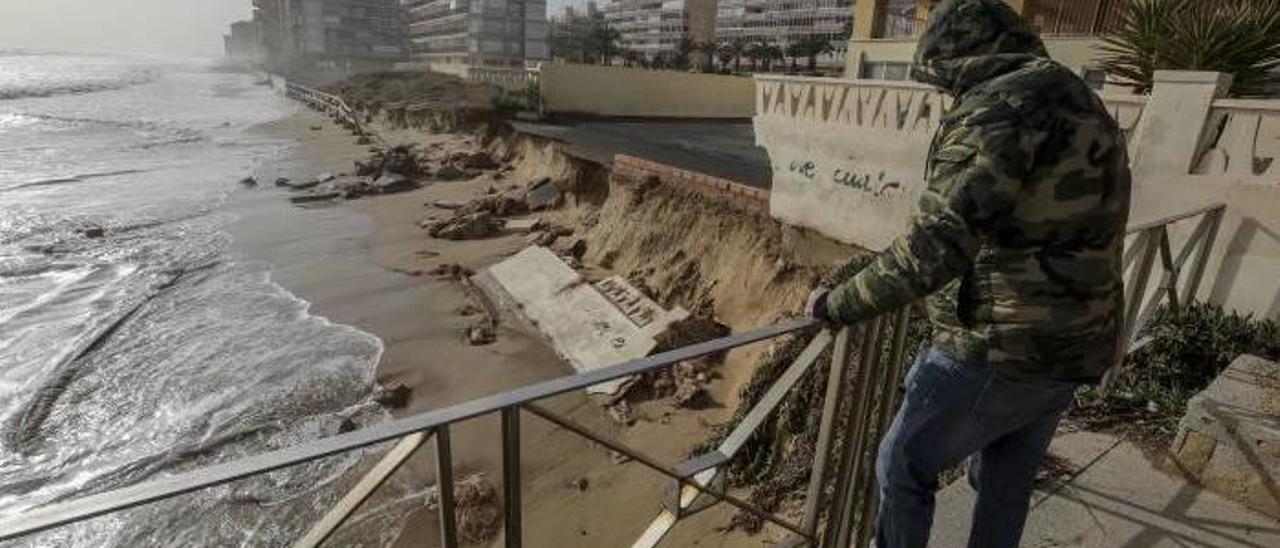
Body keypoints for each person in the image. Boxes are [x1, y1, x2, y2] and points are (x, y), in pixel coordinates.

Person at [804, 1, 1132, 547]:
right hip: (1080, 341)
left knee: (902, 464)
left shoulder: (999, 109)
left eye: (943, 82)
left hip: (1005, 345)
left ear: (961, 57)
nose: (944, 96)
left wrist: (833, 305)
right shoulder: (1078, 97)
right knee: (1008, 474)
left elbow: (932, 250)